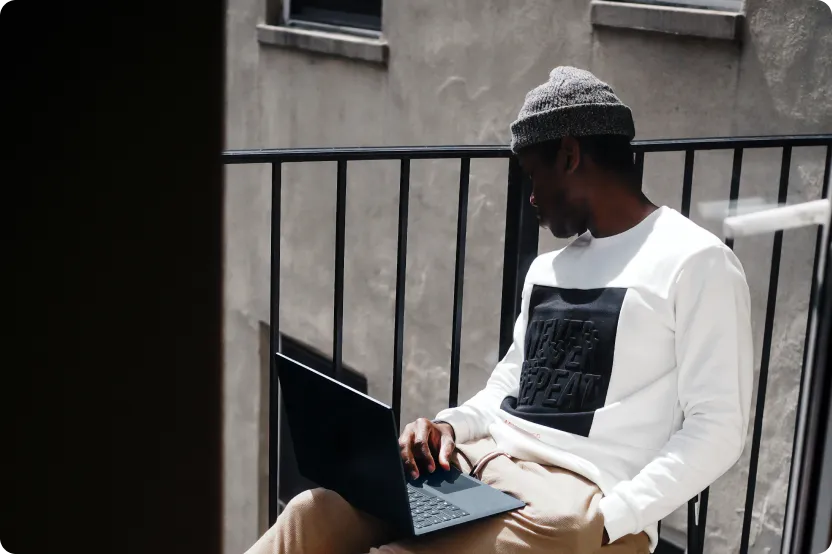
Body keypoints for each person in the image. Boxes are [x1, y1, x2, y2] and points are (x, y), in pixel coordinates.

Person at [245, 66, 753, 554]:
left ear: (571, 155)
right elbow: (507, 390)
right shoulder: (549, 270)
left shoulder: (695, 261)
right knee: (314, 513)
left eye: (534, 176)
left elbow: (717, 427)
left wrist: (616, 517)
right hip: (480, 468)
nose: (531, 197)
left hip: (570, 504)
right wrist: (447, 427)